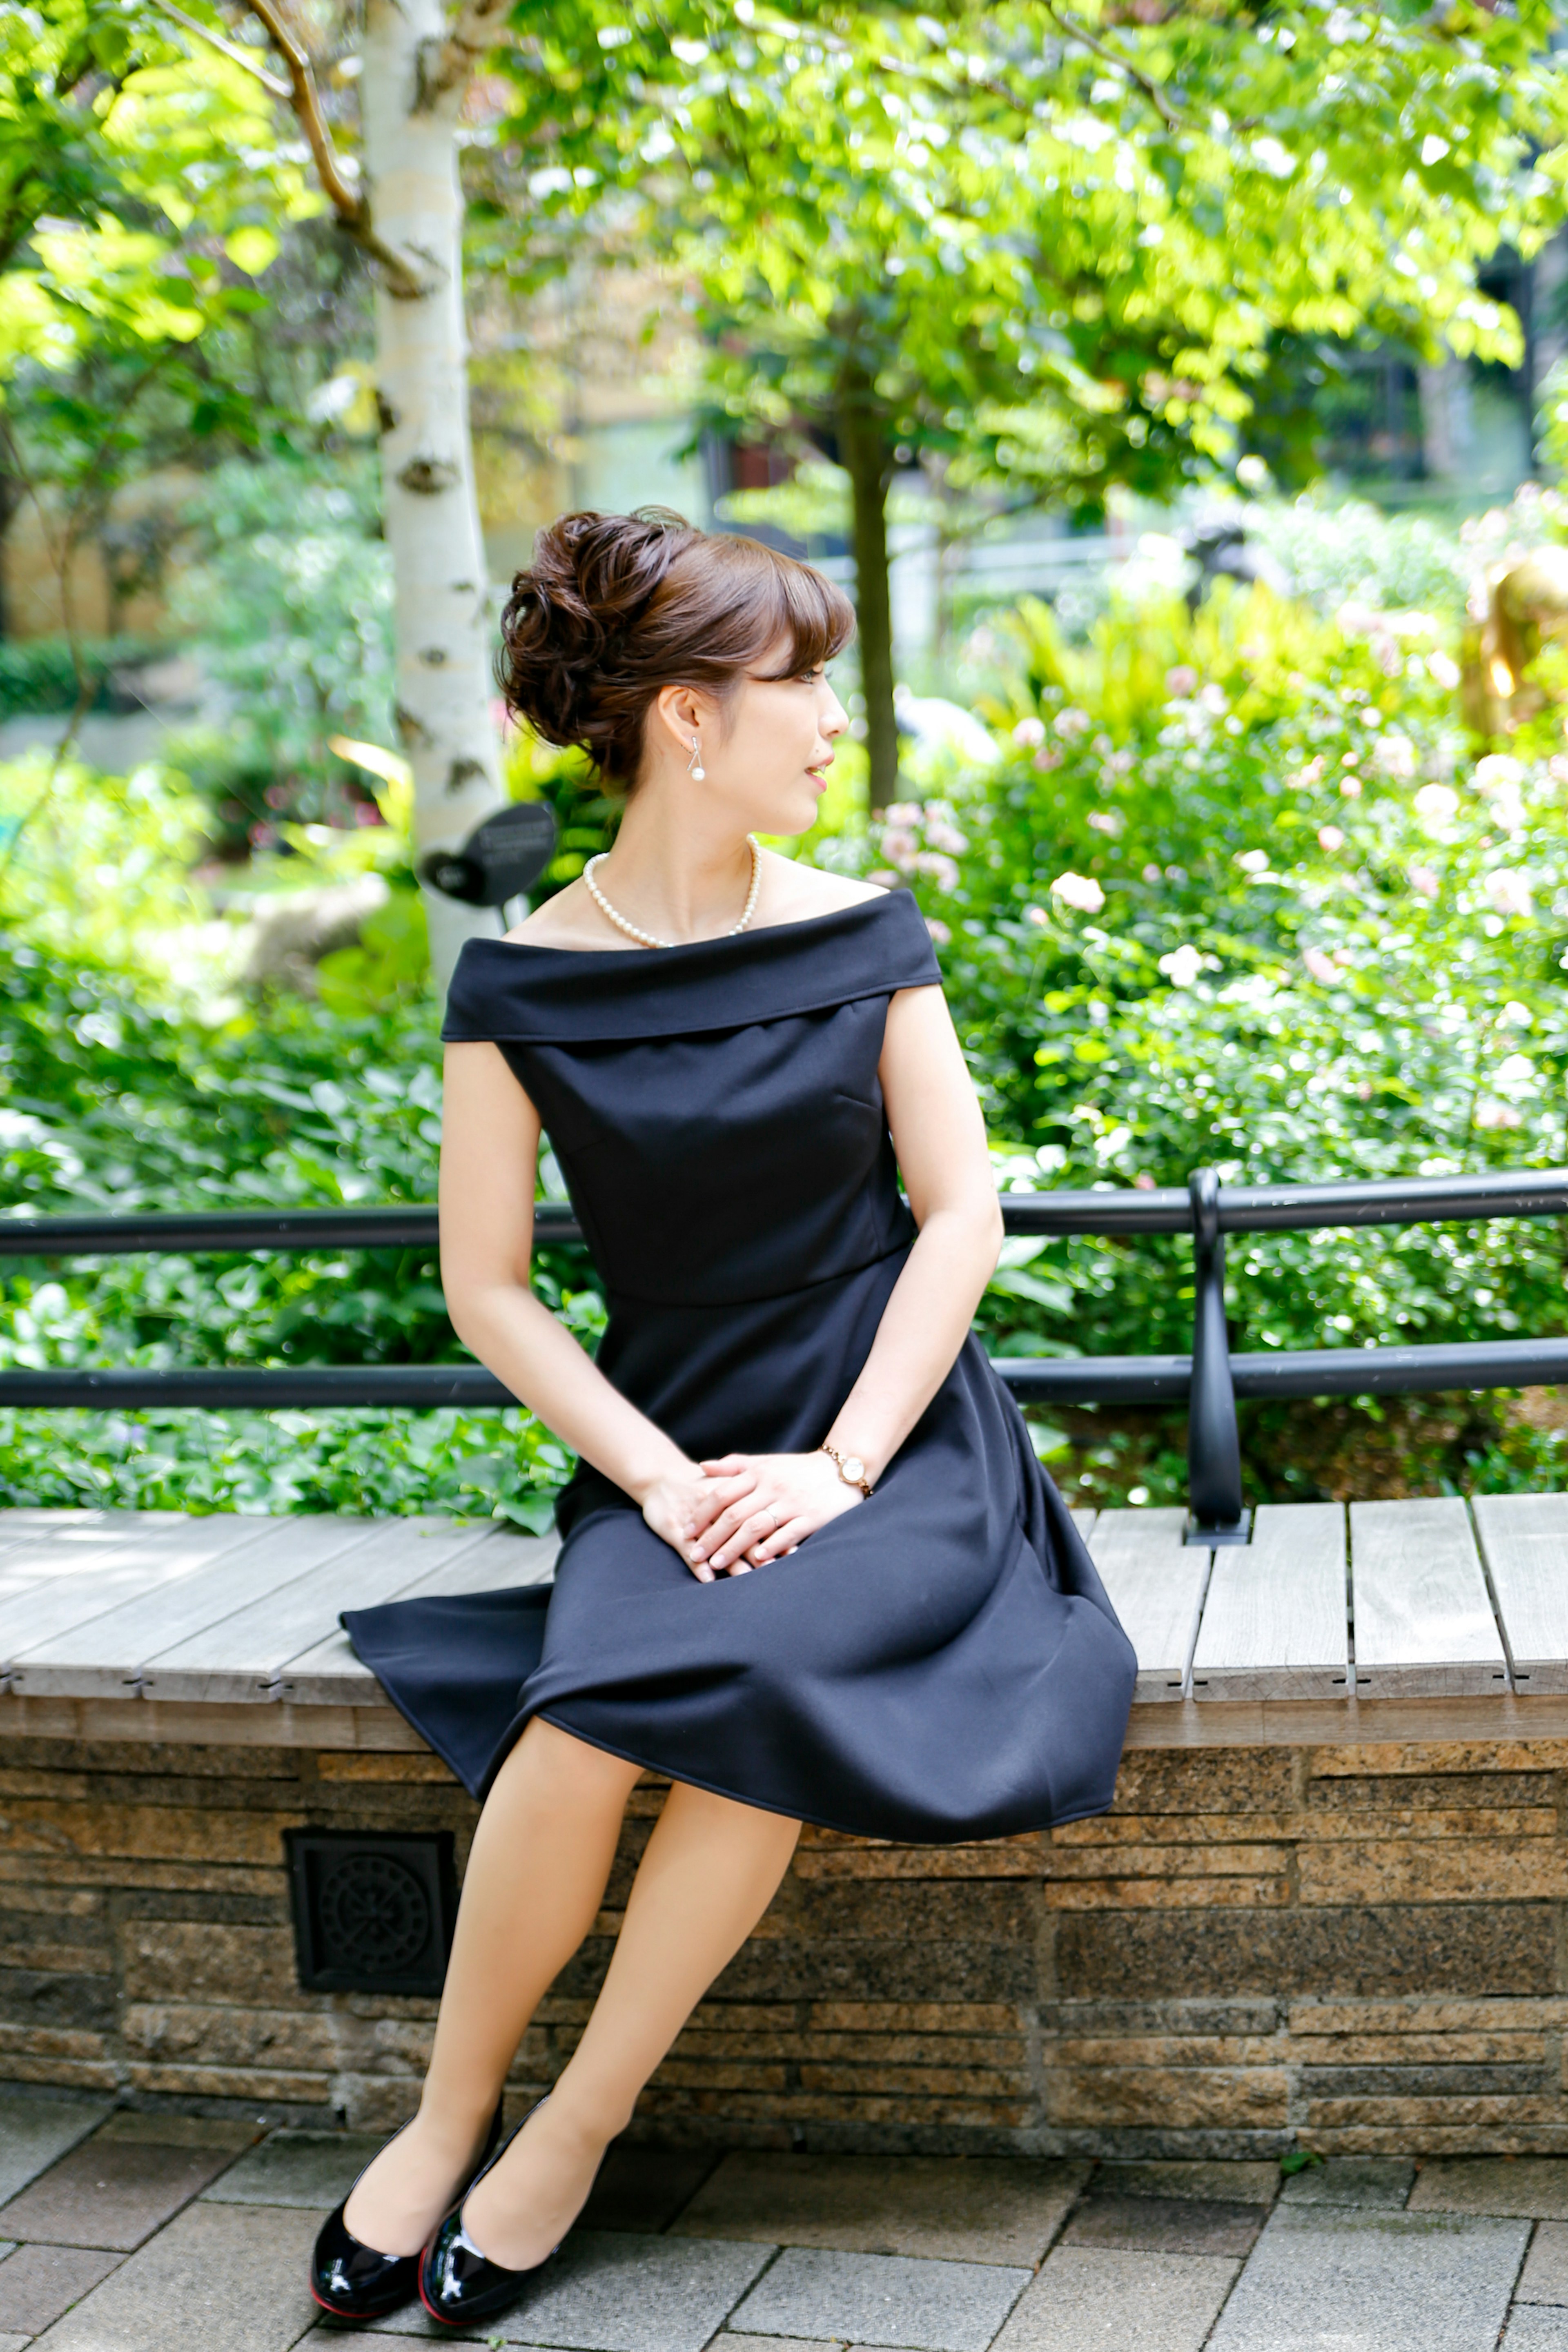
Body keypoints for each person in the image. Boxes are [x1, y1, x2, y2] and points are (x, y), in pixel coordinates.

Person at [309, 508, 1136, 2333]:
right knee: (589, 1713)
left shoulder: (866, 933)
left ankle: (575, 2133)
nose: (832, 723)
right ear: (688, 717)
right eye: (802, 685)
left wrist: (840, 1466)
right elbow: (491, 1289)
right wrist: (668, 1480)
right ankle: (447, 2121)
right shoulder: (519, 985)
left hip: (894, 1442)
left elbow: (963, 1217)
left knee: (751, 1691)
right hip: (669, 1440)